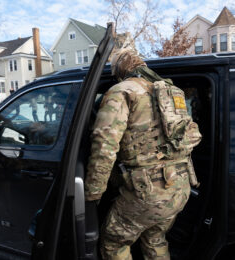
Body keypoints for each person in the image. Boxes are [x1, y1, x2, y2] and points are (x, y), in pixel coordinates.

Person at [84, 47, 202, 259]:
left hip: (148, 192)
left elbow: (104, 146)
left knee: (114, 241)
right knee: (155, 239)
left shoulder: (122, 91)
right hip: (180, 185)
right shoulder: (170, 90)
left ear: (120, 70)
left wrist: (93, 191)